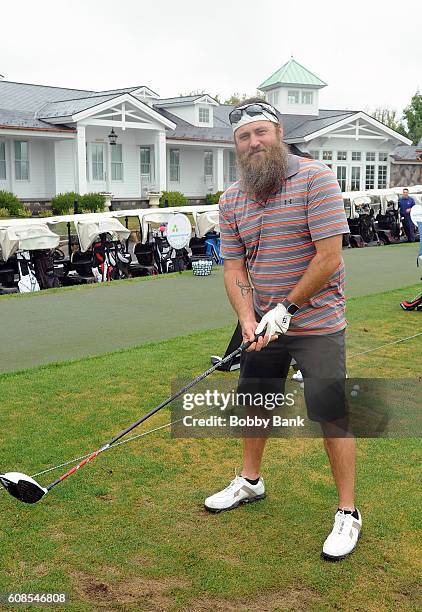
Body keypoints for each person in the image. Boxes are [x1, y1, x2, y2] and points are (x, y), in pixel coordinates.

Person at [204, 99, 361, 561]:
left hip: (317, 321)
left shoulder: (317, 178)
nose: (253, 143)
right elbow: (234, 268)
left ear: (278, 131)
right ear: (236, 145)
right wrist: (248, 319)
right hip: (264, 325)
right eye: (243, 137)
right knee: (256, 402)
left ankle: (348, 512)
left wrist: (287, 307)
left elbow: (330, 257)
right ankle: (251, 482)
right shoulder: (232, 198)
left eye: (261, 133)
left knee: (331, 412)